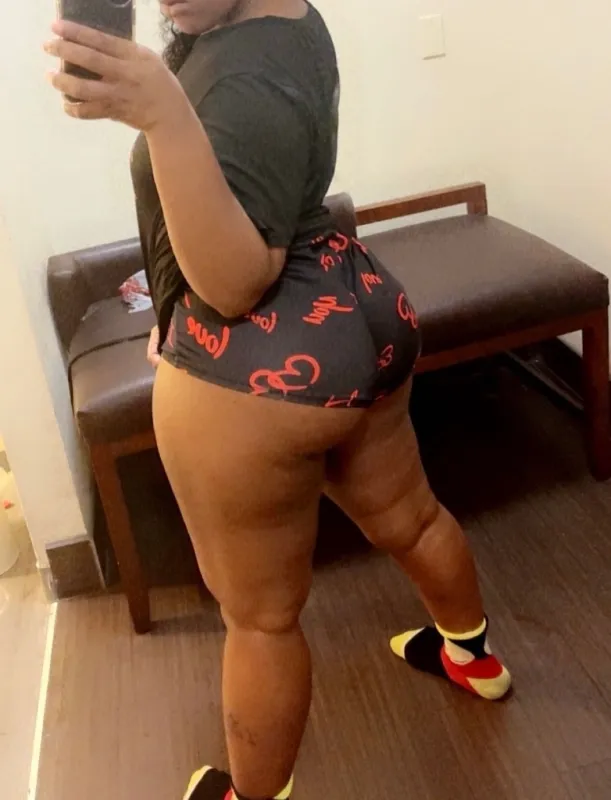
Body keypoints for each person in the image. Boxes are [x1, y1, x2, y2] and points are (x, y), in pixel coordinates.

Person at [45, 2, 511, 798]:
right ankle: (471, 657)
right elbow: (243, 200)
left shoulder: (239, 77)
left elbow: (234, 283)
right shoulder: (283, 21)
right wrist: (168, 306)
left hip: (257, 365)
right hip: (357, 305)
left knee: (260, 619)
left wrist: (162, 113)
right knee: (411, 517)